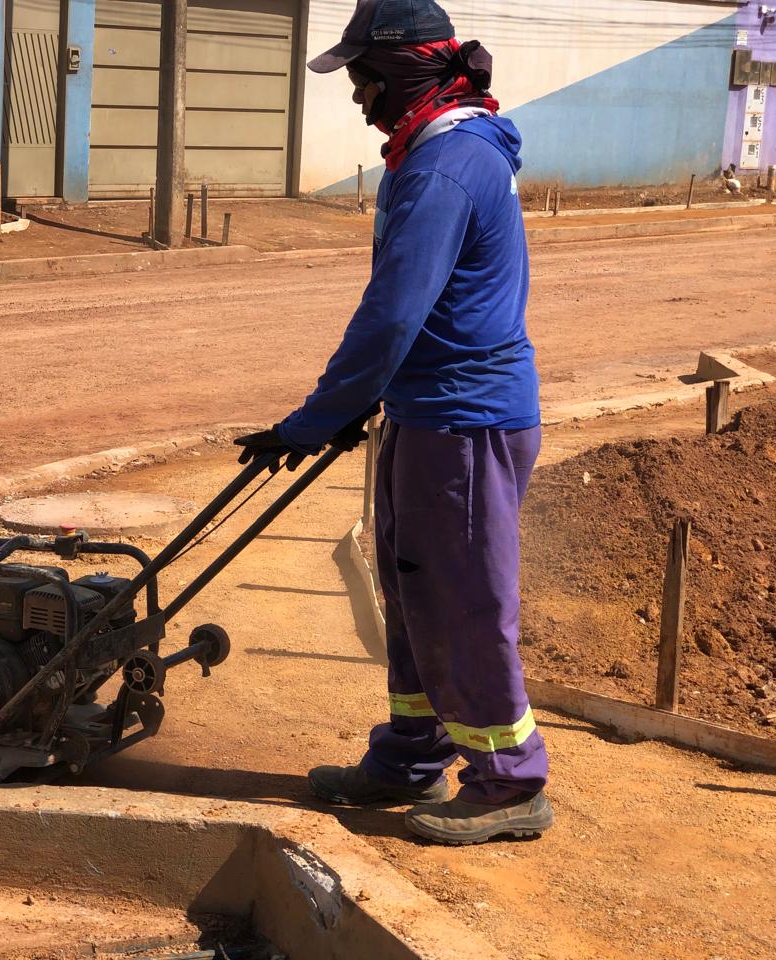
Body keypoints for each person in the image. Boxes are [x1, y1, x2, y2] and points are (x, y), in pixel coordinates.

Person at [234, 0, 552, 845]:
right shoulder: (438, 153)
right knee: (413, 591)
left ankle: (509, 784)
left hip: (467, 419)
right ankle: (413, 753)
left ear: (404, 74)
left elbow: (392, 316)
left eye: (365, 79)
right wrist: (356, 409)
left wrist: (313, 420)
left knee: (466, 601)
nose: (358, 98)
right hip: (426, 412)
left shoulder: (445, 167)